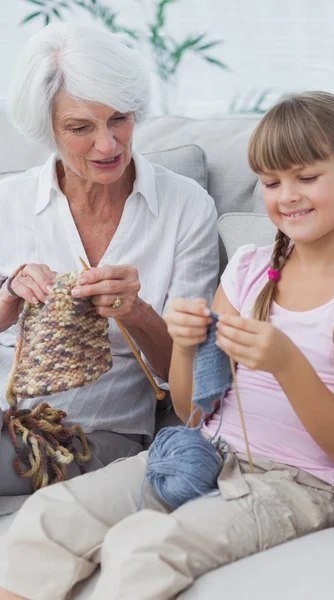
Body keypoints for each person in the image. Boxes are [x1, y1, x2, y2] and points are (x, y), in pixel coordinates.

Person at [2, 90, 334, 600]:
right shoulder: (250, 271)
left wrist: (285, 363)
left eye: (306, 177)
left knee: (142, 549)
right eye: (272, 182)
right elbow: (192, 407)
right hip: (199, 452)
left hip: (296, 483)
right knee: (48, 517)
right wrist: (188, 346)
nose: (288, 196)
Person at [0, 22, 219, 498]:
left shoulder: (185, 208)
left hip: (92, 434)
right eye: (80, 128)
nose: (108, 144)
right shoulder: (8, 203)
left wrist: (137, 313)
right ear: (48, 128)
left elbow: (193, 379)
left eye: (120, 118)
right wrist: (9, 299)